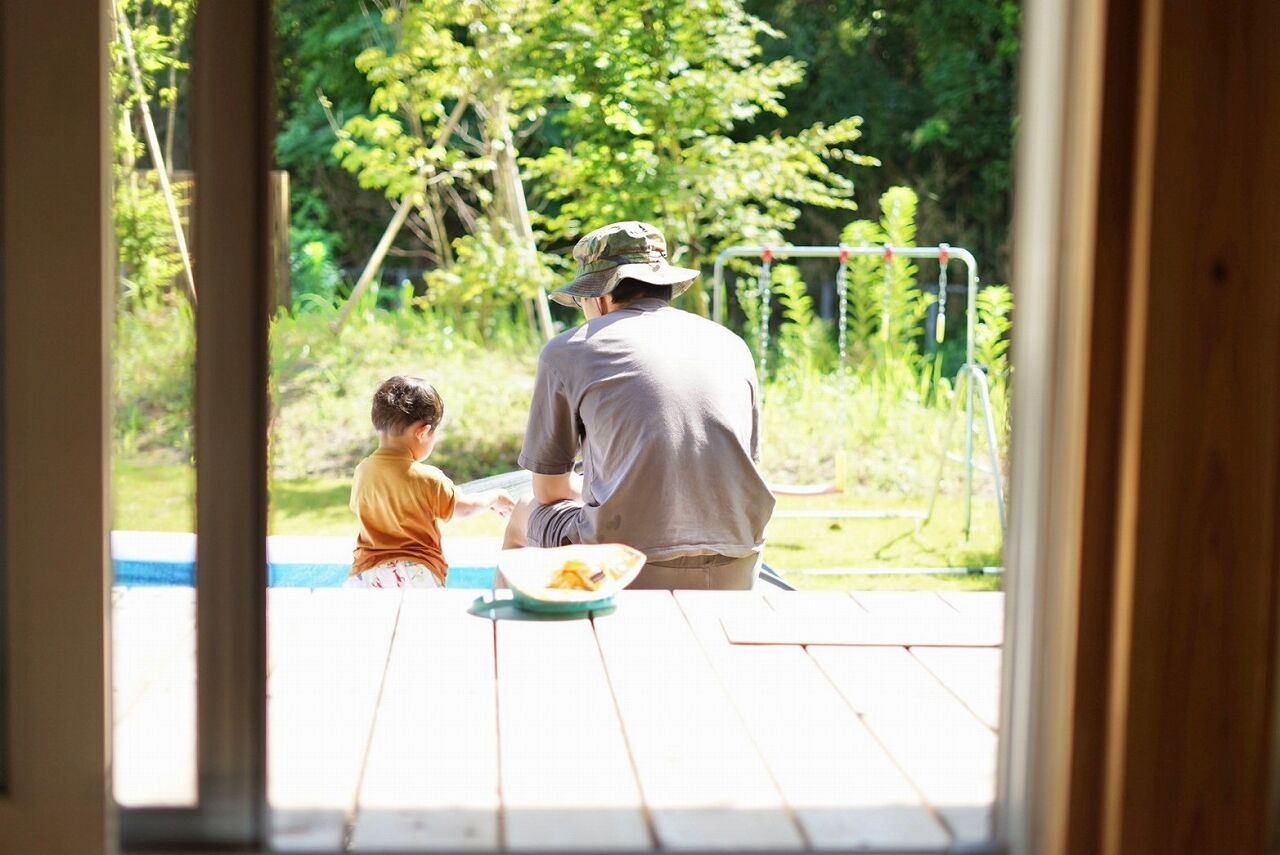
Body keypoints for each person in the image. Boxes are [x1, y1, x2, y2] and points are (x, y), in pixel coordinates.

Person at [504, 221, 776, 590]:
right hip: (739, 560)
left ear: (598, 297)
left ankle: (518, 638)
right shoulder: (730, 344)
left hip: (625, 566)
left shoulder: (569, 350)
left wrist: (597, 485)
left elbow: (548, 492)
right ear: (665, 287)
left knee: (523, 510)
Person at [347, 375, 515, 588]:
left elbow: (361, 508)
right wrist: (494, 497)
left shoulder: (363, 471)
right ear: (423, 432)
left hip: (367, 573)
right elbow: (463, 509)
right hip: (414, 572)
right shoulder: (427, 478)